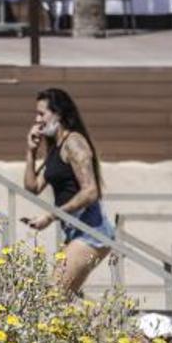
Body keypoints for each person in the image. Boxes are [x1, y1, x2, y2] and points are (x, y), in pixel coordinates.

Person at [22, 88, 116, 296]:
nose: (37, 120)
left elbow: (91, 191)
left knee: (53, 297)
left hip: (91, 232)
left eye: (41, 114)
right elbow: (33, 187)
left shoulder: (74, 143)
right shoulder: (56, 148)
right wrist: (31, 151)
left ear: (59, 114)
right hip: (74, 232)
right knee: (61, 301)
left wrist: (50, 216)